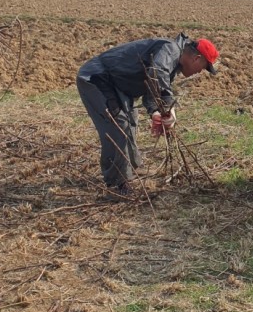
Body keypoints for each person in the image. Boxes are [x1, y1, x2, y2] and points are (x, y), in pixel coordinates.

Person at [76, 33, 219, 195]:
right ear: (196, 58)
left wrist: (157, 112)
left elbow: (152, 86)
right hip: (97, 77)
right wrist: (166, 107)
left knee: (131, 120)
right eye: (204, 67)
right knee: (119, 125)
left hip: (115, 84)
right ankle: (118, 184)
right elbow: (157, 73)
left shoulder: (173, 60)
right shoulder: (171, 50)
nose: (200, 72)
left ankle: (130, 170)